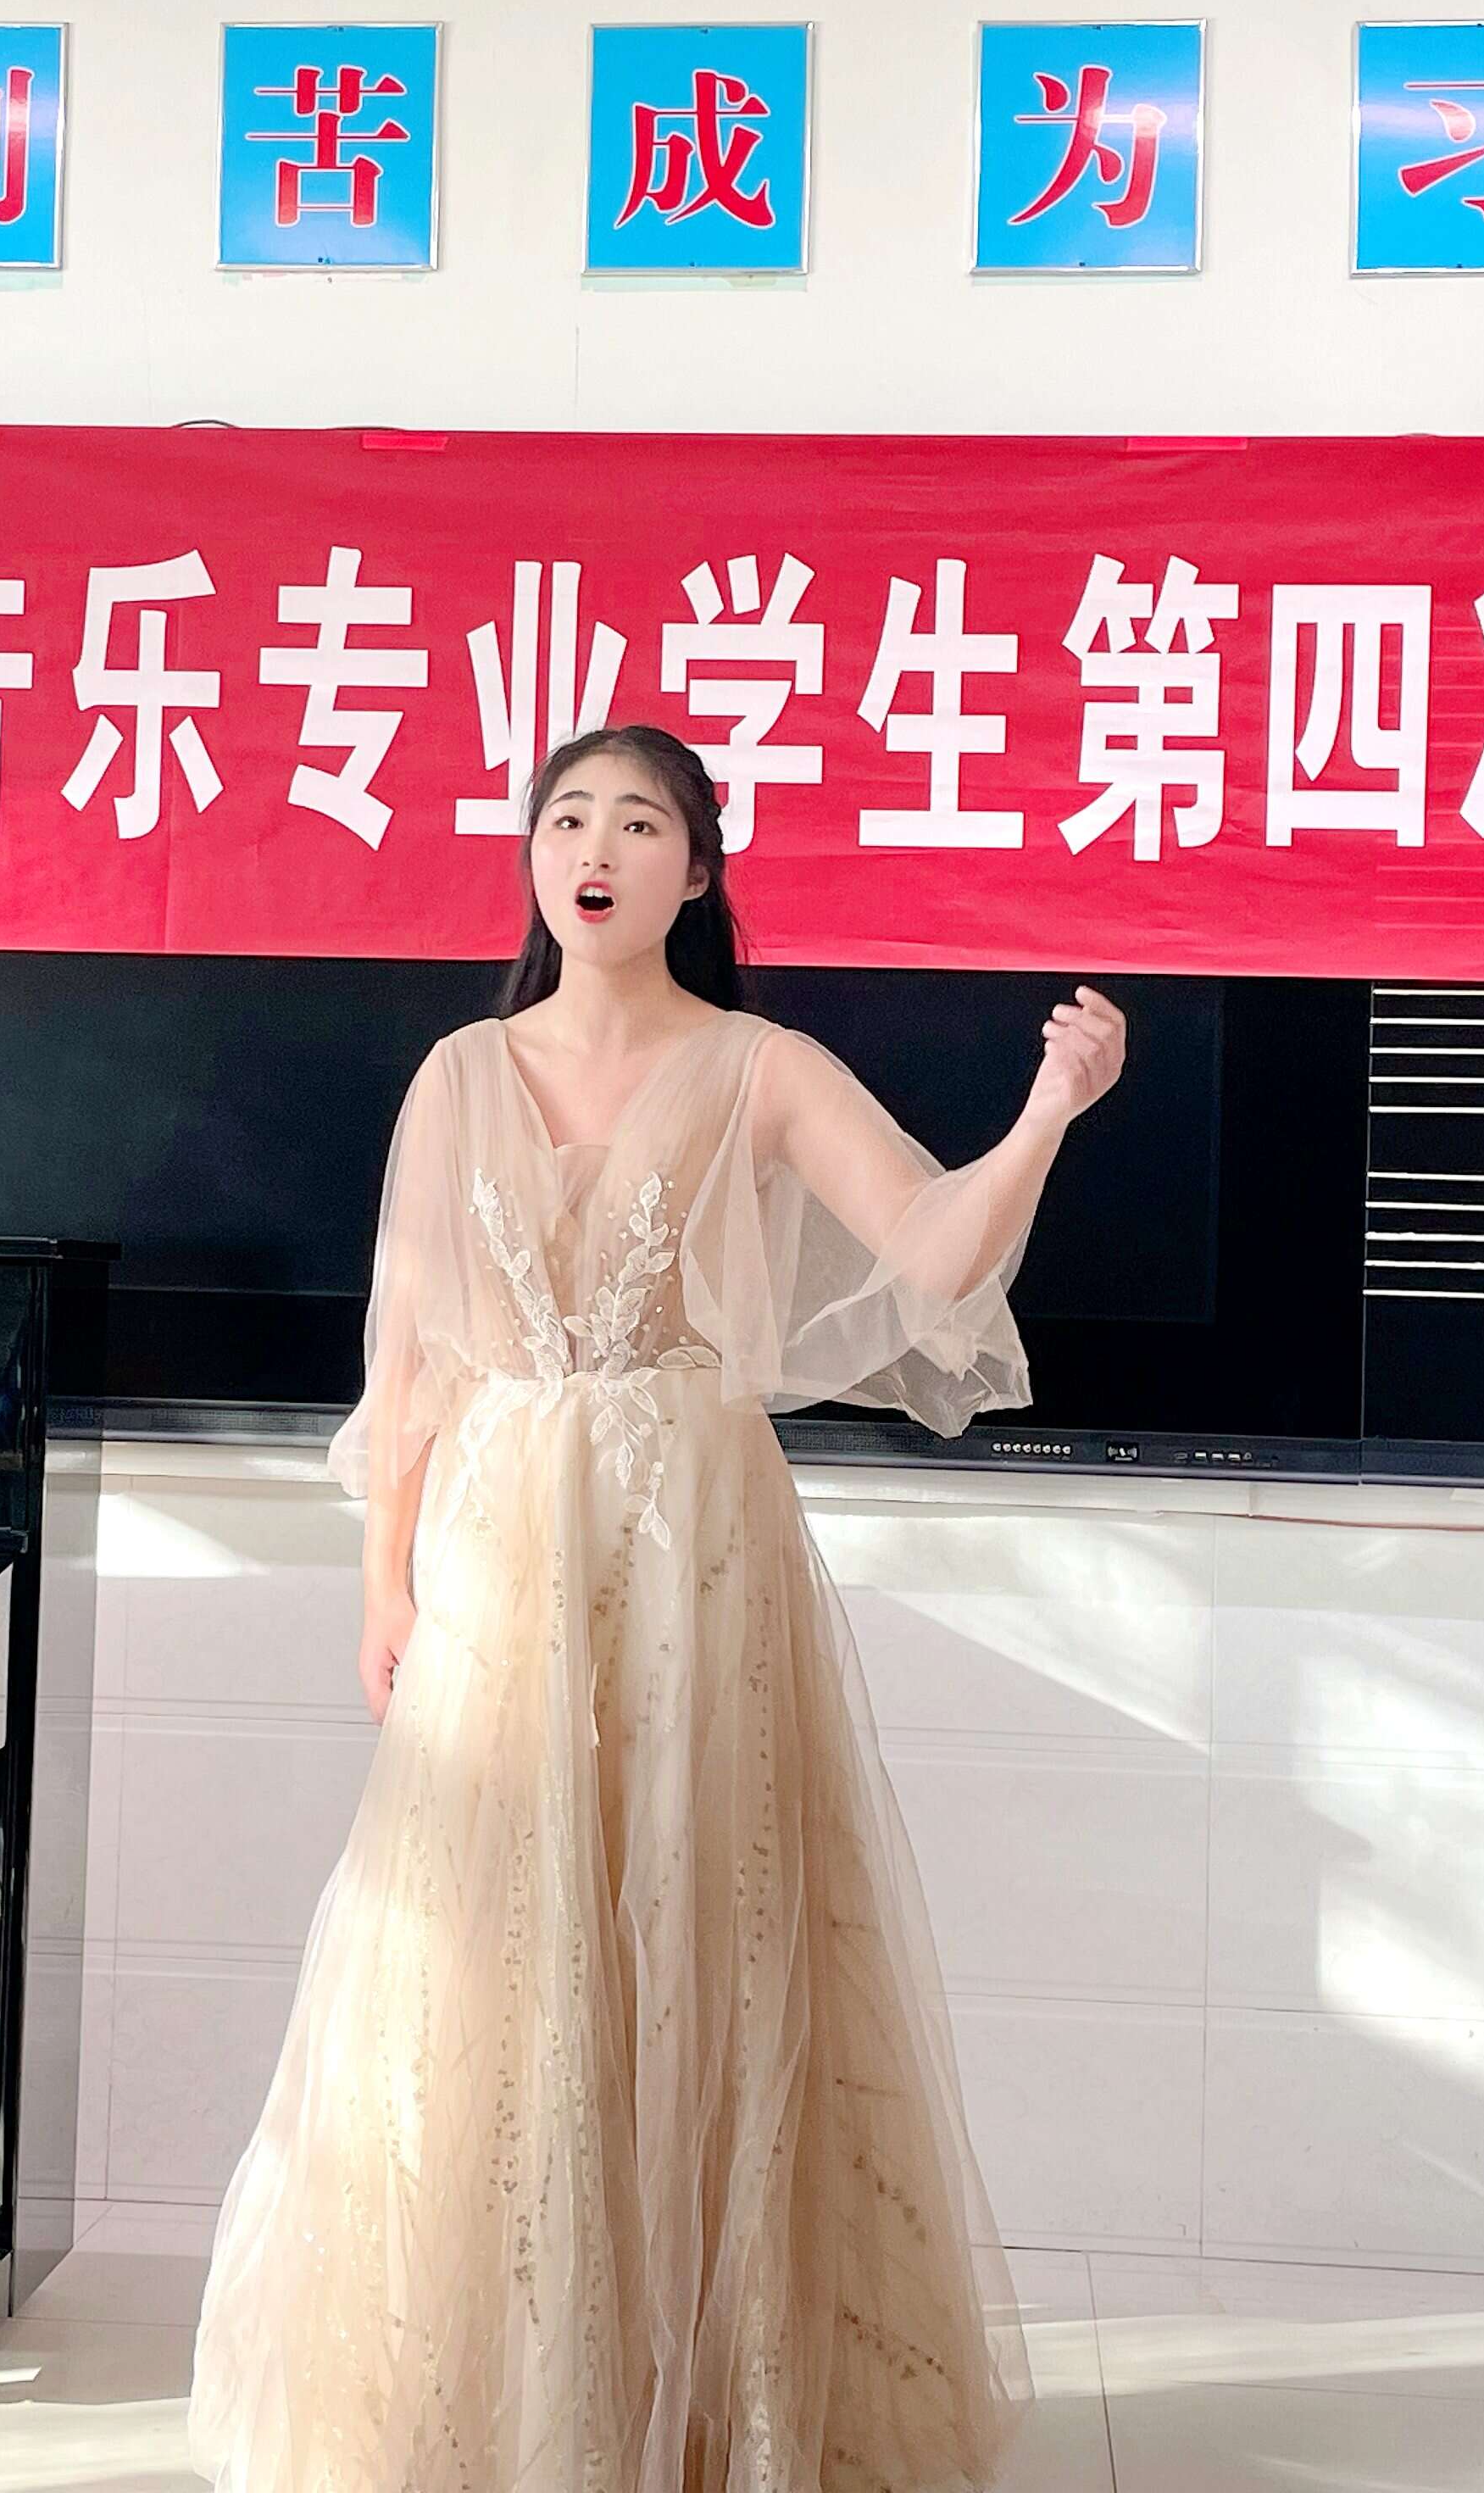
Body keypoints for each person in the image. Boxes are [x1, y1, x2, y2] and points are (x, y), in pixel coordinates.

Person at [185, 722, 1129, 2493]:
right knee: (486, 1951)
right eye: (566, 820)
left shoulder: (761, 1066)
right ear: (535, 862)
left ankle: (711, 2416)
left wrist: (1048, 1114)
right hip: (497, 1557)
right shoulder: (458, 1075)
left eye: (637, 824)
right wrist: (382, 1582)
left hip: (694, 1551)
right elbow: (410, 1357)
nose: (595, 850)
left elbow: (936, 1251)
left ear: (697, 872)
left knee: (709, 1934)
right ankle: (496, 2403)